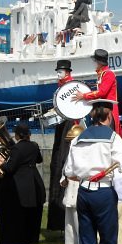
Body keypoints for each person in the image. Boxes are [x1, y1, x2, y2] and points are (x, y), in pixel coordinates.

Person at [63, 99, 122, 244]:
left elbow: (69, 171)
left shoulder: (78, 138)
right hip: (104, 192)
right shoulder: (113, 138)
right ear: (109, 116)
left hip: (83, 191)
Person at [0, 123, 46, 244]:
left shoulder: (16, 148)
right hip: (33, 181)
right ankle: (30, 239)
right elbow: (39, 160)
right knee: (31, 213)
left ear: (17, 135)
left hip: (18, 183)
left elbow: (10, 168)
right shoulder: (34, 145)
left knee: (14, 214)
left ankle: (14, 240)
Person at [47, 59, 76, 231]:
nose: (58, 73)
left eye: (61, 71)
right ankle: (56, 220)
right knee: (57, 160)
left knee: (63, 158)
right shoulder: (60, 86)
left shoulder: (70, 86)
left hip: (68, 124)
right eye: (58, 71)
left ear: (67, 72)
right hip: (61, 124)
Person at [74, 49, 122, 137]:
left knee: (108, 134)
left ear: (99, 63)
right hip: (103, 110)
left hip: (108, 110)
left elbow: (102, 92)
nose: (94, 64)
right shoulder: (102, 74)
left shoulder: (108, 74)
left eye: (95, 61)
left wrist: (84, 96)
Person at [59, 124, 84, 244]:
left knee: (79, 222)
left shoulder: (84, 155)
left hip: (79, 191)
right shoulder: (70, 154)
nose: (70, 144)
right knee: (69, 223)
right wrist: (63, 180)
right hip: (70, 191)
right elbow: (65, 171)